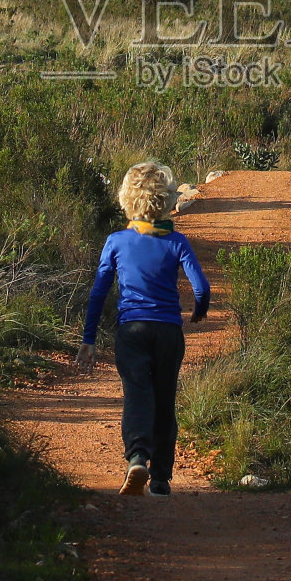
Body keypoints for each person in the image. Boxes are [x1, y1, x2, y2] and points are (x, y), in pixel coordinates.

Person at [77, 161, 210, 497]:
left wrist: (89, 338)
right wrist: (199, 312)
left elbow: (98, 292)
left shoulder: (117, 241)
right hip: (168, 333)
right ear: (166, 201)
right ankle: (162, 479)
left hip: (132, 330)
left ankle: (137, 457)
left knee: (137, 394)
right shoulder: (178, 242)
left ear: (127, 199)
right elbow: (202, 289)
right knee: (165, 399)